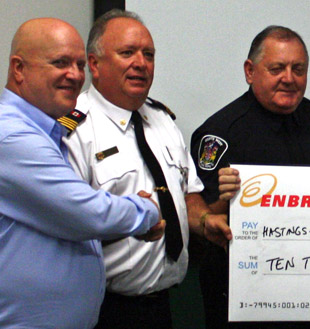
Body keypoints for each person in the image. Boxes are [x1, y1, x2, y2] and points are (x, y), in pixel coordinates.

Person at [63, 9, 229, 329]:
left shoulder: (163, 120)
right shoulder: (75, 130)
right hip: (102, 310)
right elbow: (68, 223)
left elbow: (187, 194)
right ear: (94, 64)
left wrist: (205, 220)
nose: (141, 63)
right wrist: (132, 217)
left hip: (162, 306)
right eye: (127, 53)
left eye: (148, 54)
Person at [0, 18, 162, 329]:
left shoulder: (49, 130)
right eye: (60, 63)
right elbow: (85, 212)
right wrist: (147, 211)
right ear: (19, 69)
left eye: (77, 64)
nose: (75, 75)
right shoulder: (13, 136)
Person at [190, 25, 310, 329]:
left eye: (299, 69)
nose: (289, 78)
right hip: (241, 294)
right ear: (250, 71)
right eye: (277, 68)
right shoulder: (219, 133)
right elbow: (201, 222)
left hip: (304, 287)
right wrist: (225, 201)